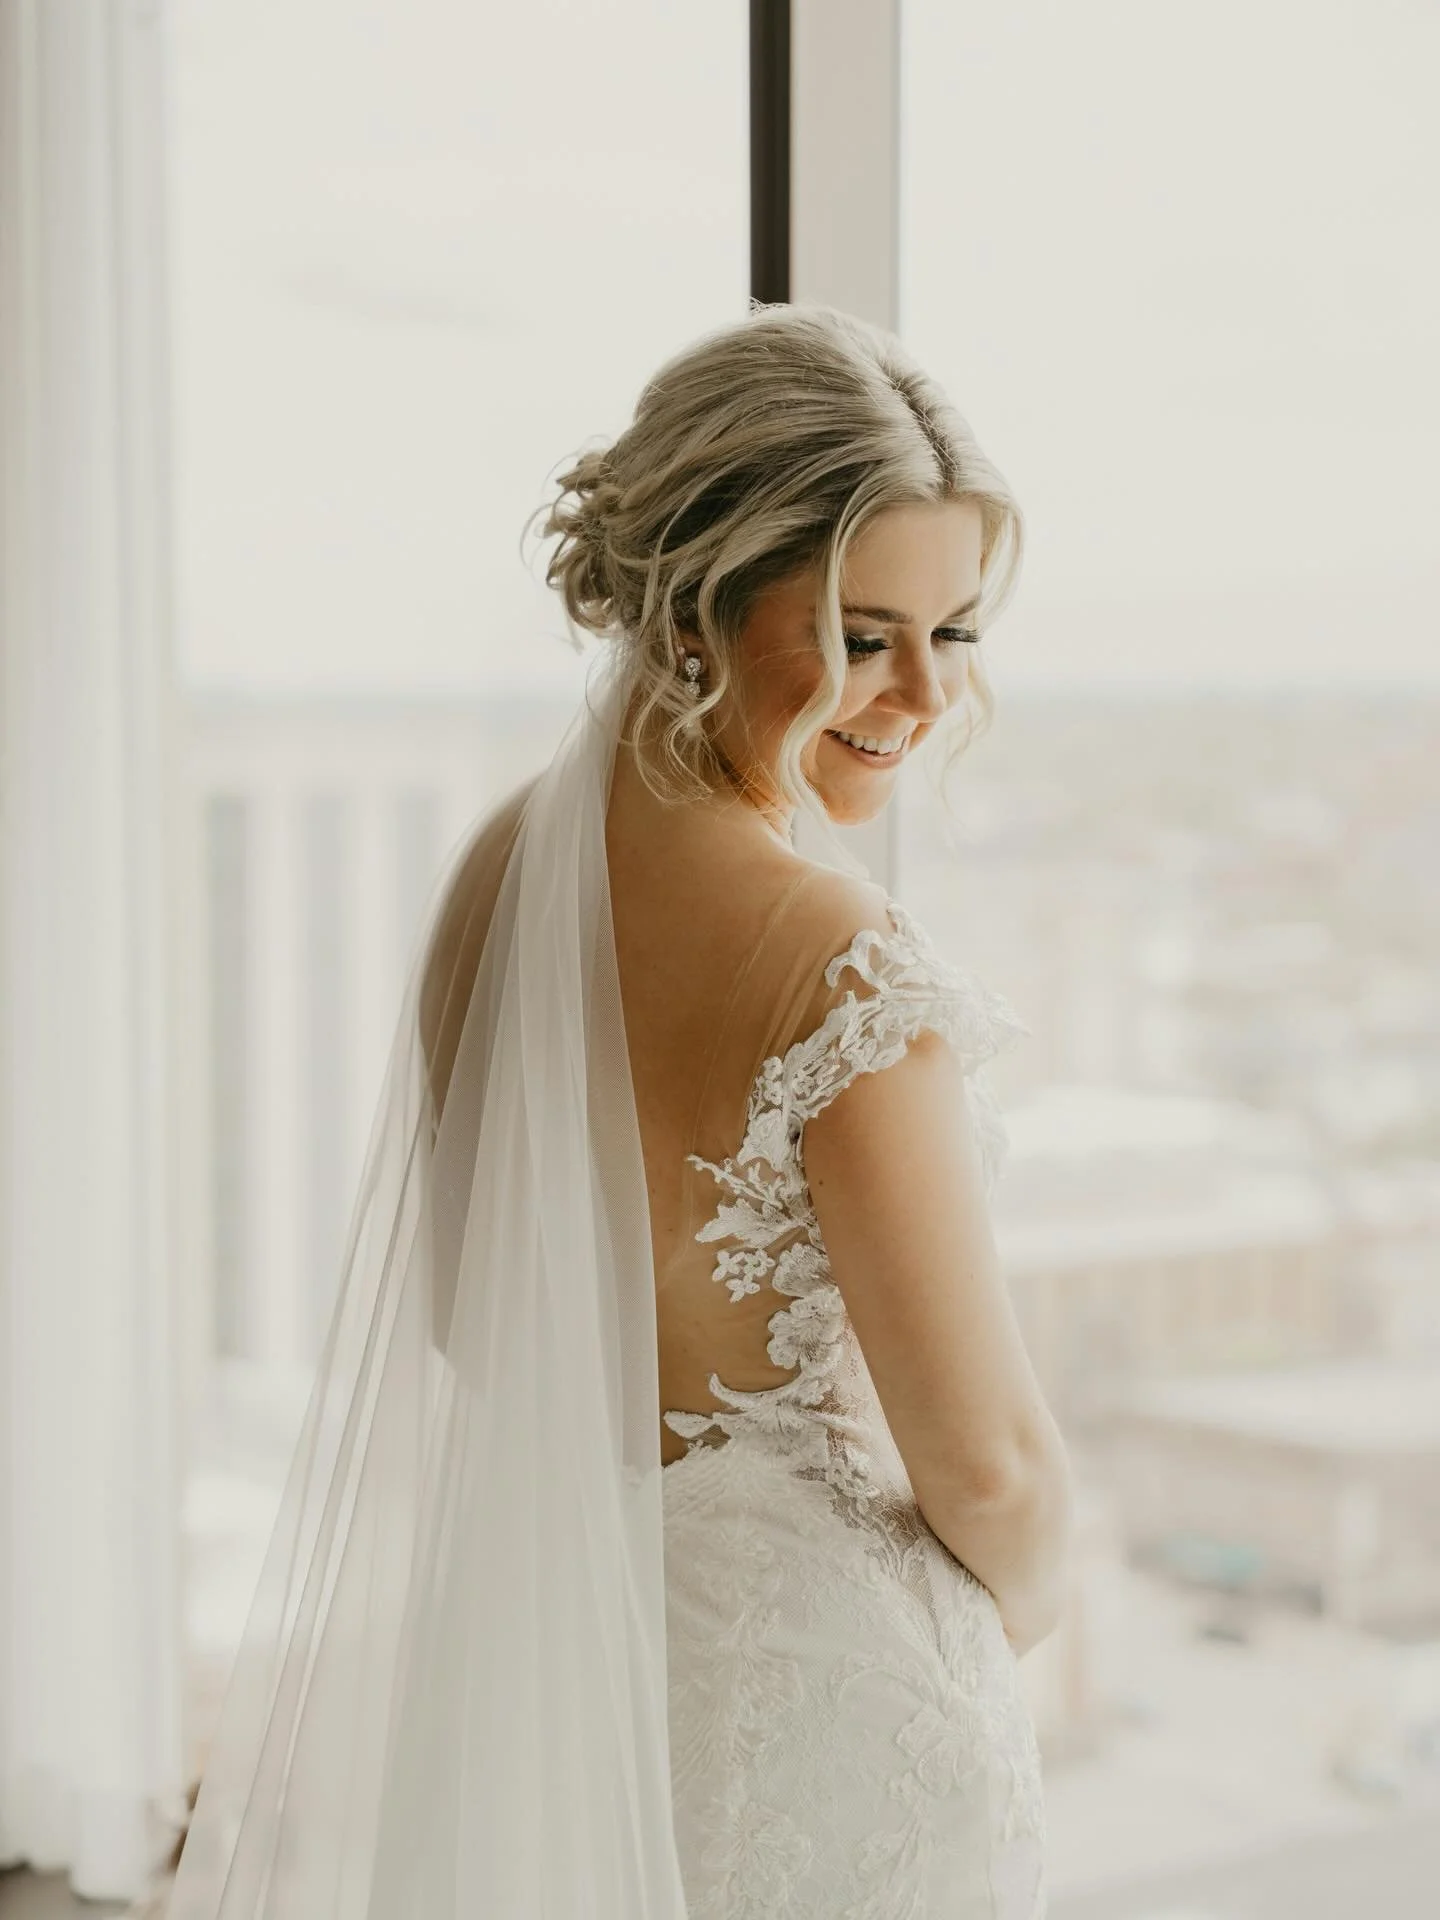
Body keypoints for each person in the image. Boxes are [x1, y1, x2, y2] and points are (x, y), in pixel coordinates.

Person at [160, 304, 1073, 1920]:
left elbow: (467, 1315)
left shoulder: (504, 874)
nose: (923, 693)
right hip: (832, 1714)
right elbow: (989, 1466)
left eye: (960, 633)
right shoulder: (840, 959)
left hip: (555, 1675)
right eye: (866, 634)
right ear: (700, 605)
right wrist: (1019, 1612)